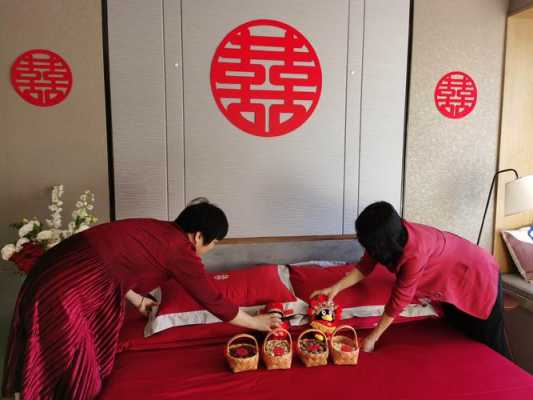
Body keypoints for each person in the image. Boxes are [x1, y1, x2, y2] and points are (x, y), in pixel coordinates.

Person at [2, 198, 280, 400]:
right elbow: (214, 299)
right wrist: (256, 323)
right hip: (64, 288)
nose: (210, 249)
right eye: (214, 243)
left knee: (68, 355)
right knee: (73, 361)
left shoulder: (158, 231)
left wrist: (137, 300)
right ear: (198, 236)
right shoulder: (179, 250)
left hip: (54, 271)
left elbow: (115, 263)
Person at [311, 201, 510, 358]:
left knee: (491, 344)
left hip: (478, 277)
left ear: (382, 244)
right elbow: (365, 266)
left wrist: (372, 338)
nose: (366, 249)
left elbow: (399, 300)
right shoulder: (389, 237)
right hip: (450, 283)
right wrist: (334, 288)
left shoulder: (415, 253)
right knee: (462, 339)